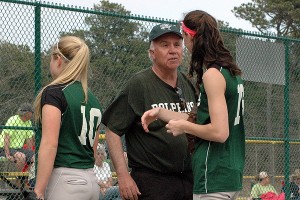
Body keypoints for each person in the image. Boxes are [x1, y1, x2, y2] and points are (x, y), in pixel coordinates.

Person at [141, 10, 245, 200]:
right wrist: (161, 112)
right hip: (227, 174)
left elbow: (219, 133)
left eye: (182, 38)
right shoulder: (230, 72)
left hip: (213, 174)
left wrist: (183, 127)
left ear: (190, 36)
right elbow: (203, 120)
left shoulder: (212, 75)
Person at [102, 24, 196, 200]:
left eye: (177, 44)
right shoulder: (139, 84)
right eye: (165, 45)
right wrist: (122, 176)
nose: (173, 50)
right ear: (152, 53)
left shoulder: (188, 82)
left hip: (188, 179)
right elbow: (112, 130)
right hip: (153, 181)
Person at [33, 36, 102, 200]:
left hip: (65, 182)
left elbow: (50, 144)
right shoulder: (93, 99)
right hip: (91, 182)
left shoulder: (54, 92)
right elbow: (92, 149)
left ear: (58, 60)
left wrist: (39, 190)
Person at [0, 102, 35, 171]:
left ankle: (27, 178)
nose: (32, 114)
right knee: (21, 157)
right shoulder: (13, 120)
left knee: (35, 157)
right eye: (31, 112)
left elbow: (29, 139)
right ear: (27, 113)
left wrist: (30, 153)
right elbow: (7, 137)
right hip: (4, 147)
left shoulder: (28, 122)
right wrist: (7, 155)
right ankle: (18, 179)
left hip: (18, 148)